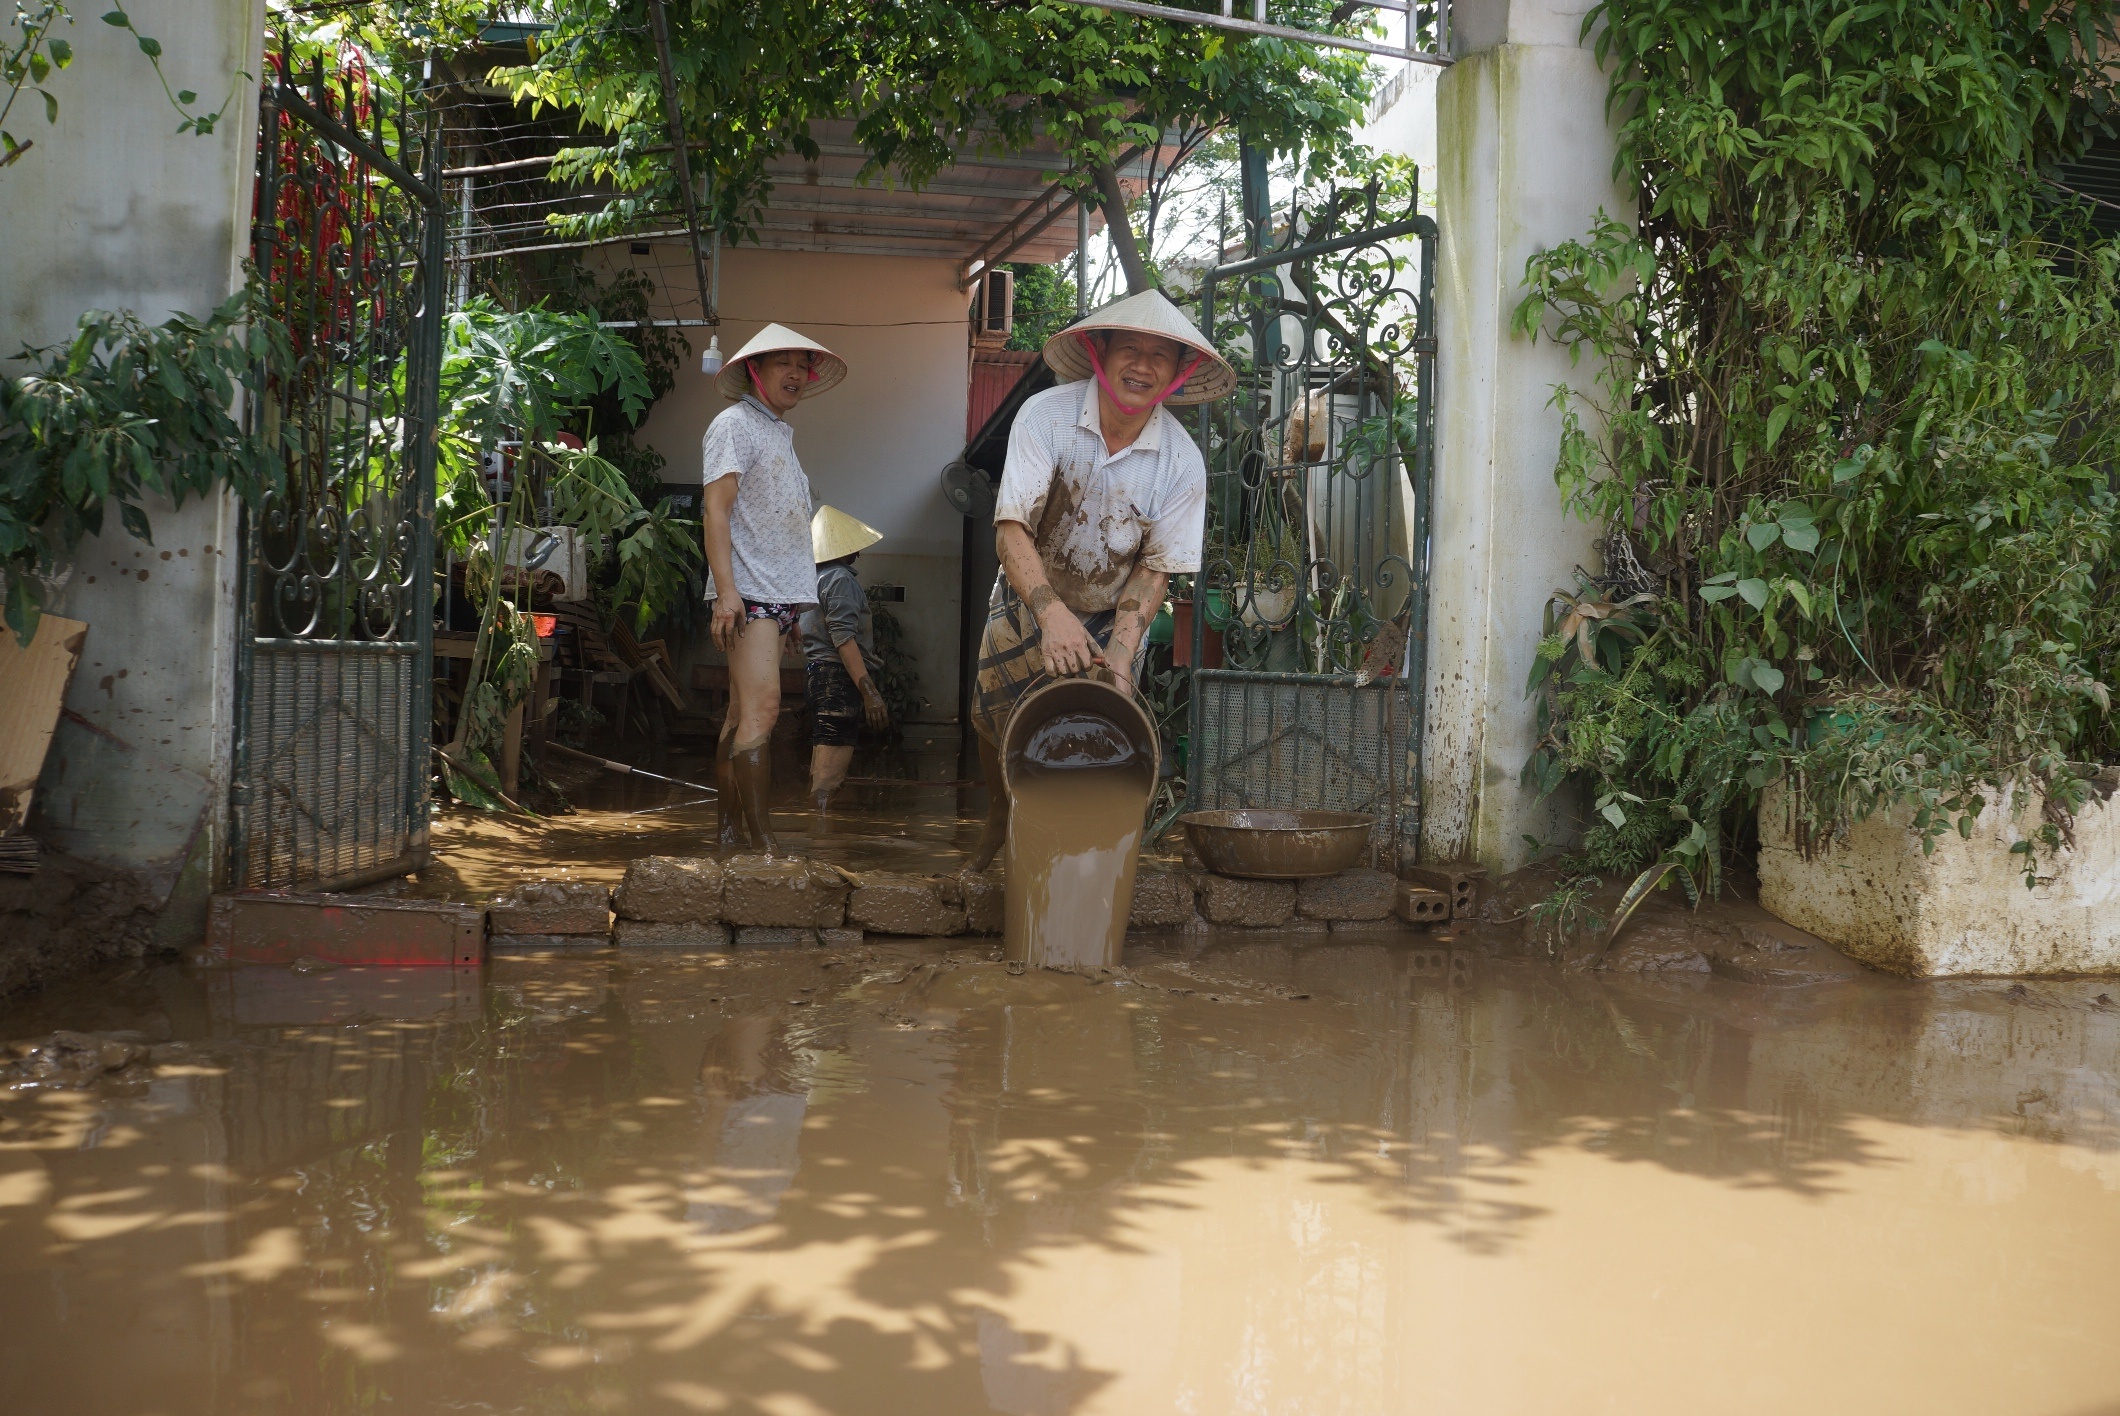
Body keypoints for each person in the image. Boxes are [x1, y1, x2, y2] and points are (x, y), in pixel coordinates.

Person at [966, 289, 1236, 871]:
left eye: (1159, 356)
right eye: (1129, 350)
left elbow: (1155, 566)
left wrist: (1120, 651)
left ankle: (1073, 858)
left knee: (1098, 728)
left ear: (1178, 373)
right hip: (1028, 585)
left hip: (1113, 608)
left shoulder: (1182, 462)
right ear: (1099, 352)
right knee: (994, 717)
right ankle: (998, 822)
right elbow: (1011, 529)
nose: (1141, 366)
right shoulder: (1046, 415)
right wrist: (1051, 614)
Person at [701, 323, 848, 855]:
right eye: (782, 362)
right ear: (753, 372)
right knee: (763, 711)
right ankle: (762, 843)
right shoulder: (733, 424)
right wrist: (726, 592)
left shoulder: (780, 433)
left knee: (742, 715)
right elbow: (714, 510)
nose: (796, 373)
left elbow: (781, 528)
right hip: (747, 592)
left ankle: (727, 831)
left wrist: (793, 612)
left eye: (801, 364)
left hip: (778, 598)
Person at [799, 504, 891, 832]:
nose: (859, 555)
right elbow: (844, 639)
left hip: (818, 674)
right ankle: (824, 843)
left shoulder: (815, 577)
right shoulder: (839, 579)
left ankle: (818, 834)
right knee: (831, 761)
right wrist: (870, 691)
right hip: (838, 676)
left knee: (825, 743)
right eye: (854, 548)